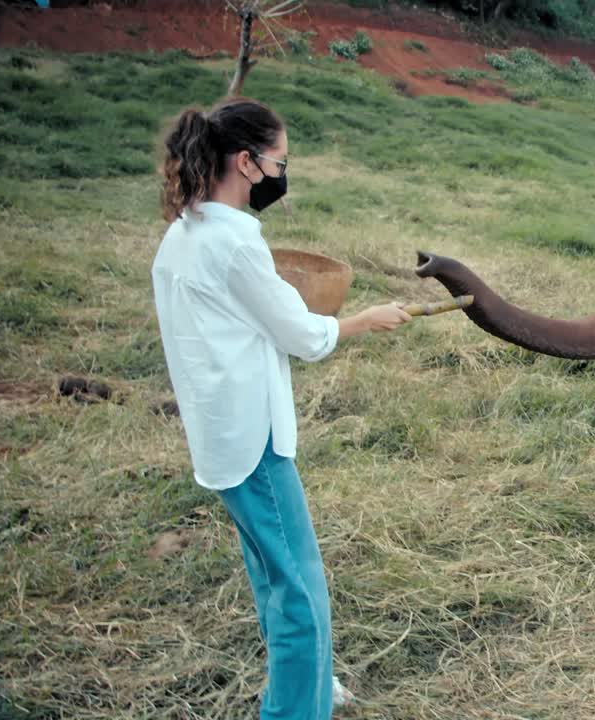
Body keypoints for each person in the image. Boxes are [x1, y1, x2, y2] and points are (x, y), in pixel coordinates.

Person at [151, 96, 411, 718]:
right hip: (252, 440)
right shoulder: (234, 245)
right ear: (245, 162)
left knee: (272, 574)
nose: (282, 175)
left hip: (218, 434)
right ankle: (295, 709)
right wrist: (364, 320)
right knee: (301, 593)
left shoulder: (184, 235)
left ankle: (310, 688)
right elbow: (302, 334)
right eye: (279, 162)